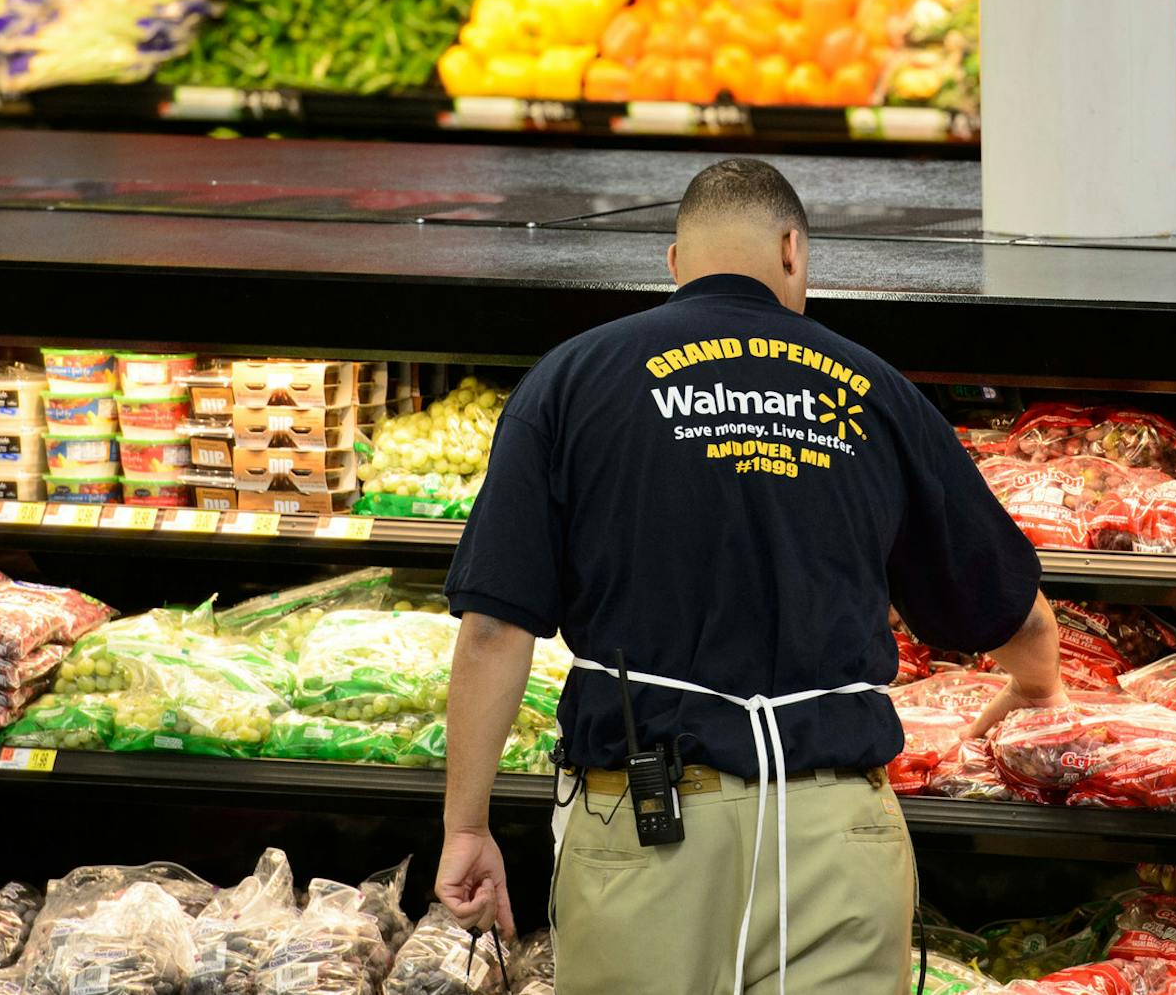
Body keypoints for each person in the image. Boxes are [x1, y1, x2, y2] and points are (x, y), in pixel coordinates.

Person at [435, 157, 1064, 995]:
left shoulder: (572, 379)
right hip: (836, 834)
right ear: (794, 250)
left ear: (673, 263)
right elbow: (1007, 608)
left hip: (648, 826)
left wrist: (467, 824)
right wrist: (1036, 682)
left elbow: (492, 628)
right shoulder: (877, 390)